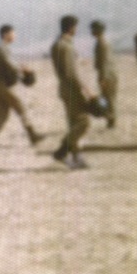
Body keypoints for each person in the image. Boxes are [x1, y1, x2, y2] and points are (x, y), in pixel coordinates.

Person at [0, 24, 44, 148]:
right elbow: (9, 65)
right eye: (13, 33)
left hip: (0, 86)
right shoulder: (1, 48)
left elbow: (8, 65)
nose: (14, 36)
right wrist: (23, 70)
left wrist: (19, 69)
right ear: (6, 34)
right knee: (20, 107)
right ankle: (32, 135)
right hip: (4, 86)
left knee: (3, 112)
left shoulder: (2, 48)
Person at [50, 15, 94, 169]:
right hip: (72, 90)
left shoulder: (57, 44)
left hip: (64, 88)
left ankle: (77, 157)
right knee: (84, 122)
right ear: (71, 28)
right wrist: (86, 90)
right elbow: (71, 74)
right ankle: (62, 150)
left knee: (74, 123)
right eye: (75, 27)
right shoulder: (66, 46)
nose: (76, 30)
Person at [90, 20, 118, 128]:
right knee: (105, 97)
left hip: (107, 75)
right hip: (107, 74)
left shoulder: (102, 43)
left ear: (98, 30)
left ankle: (111, 119)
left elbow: (105, 62)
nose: (91, 31)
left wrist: (103, 78)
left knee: (108, 98)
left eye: (93, 29)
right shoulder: (101, 42)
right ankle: (109, 118)